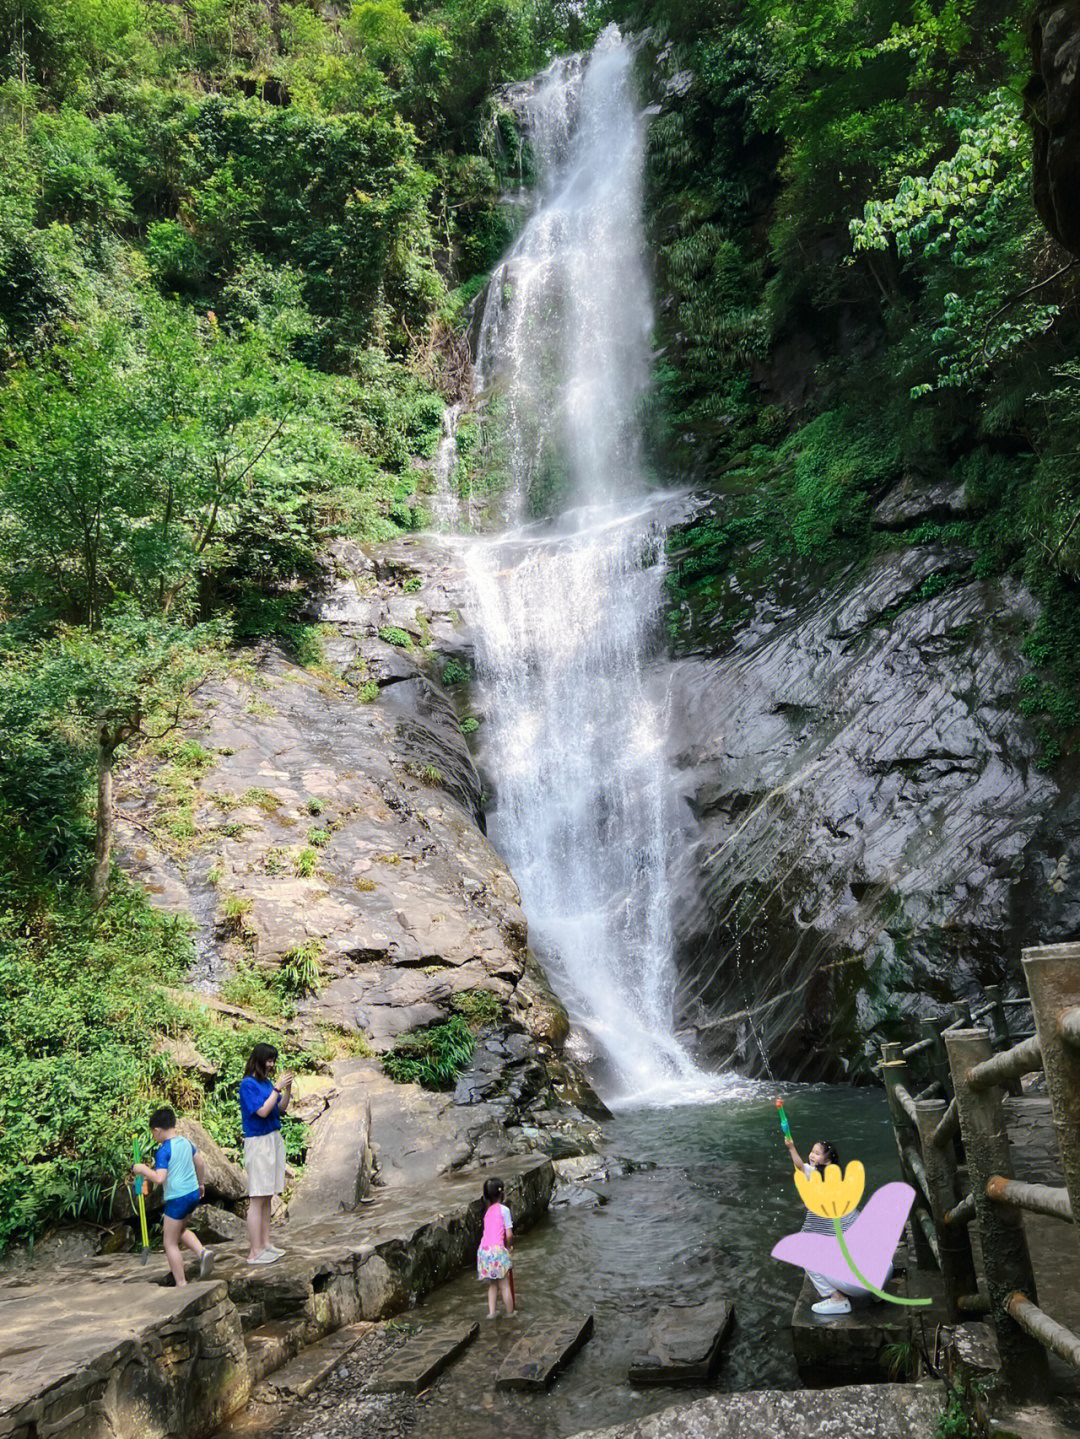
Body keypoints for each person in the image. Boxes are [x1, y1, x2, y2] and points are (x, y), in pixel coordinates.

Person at [783, 1132, 885, 1316]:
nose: (812, 1155)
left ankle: (838, 1299)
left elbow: (799, 1168)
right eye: (812, 1152)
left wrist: (791, 1148)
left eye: (817, 1153)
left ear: (828, 1161)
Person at [132, 1107, 215, 1287]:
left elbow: (160, 1178)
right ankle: (202, 1252)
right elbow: (199, 1162)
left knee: (169, 1242)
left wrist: (142, 1169)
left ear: (157, 1130)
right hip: (192, 1193)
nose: (154, 1138)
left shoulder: (164, 1150)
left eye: (153, 1134)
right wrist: (201, 1184)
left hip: (177, 1198)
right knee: (180, 1230)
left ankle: (181, 1283)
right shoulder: (185, 1142)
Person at [239, 1042, 293, 1265]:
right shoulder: (247, 1084)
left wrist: (286, 1088)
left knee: (268, 1195)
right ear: (259, 1060)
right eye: (269, 1060)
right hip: (258, 1142)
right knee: (257, 1197)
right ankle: (254, 1251)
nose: (271, 1065)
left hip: (273, 1139)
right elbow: (262, 1111)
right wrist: (277, 1089)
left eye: (273, 1061)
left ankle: (266, 1243)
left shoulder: (266, 1083)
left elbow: (280, 1108)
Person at [477, 1176, 515, 1319]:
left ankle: (491, 1313)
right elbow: (509, 1235)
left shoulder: (487, 1213)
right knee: (504, 1285)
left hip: (484, 1251)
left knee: (493, 1285)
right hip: (497, 1251)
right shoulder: (504, 1210)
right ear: (502, 1193)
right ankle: (510, 1313)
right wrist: (509, 1247)